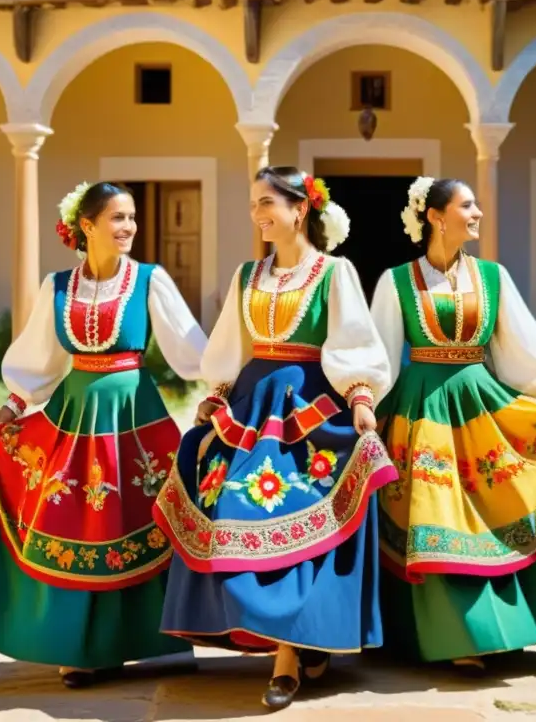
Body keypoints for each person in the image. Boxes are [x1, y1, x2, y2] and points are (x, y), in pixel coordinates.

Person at [153, 167, 397, 711]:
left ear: (300, 209)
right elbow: (231, 347)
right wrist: (215, 396)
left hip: (310, 408)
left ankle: (288, 657)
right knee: (236, 515)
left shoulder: (335, 273)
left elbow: (354, 341)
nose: (258, 213)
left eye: (267, 202)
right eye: (253, 204)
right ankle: (291, 641)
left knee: (297, 520)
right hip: (250, 407)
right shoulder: (247, 274)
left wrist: (360, 398)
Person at [0, 182, 208, 687]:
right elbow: (39, 356)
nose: (129, 226)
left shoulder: (149, 281)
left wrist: (224, 389)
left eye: (131, 217)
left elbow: (191, 348)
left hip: (134, 419)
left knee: (148, 522)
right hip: (74, 415)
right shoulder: (58, 287)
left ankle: (157, 640)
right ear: (86, 226)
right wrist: (12, 405)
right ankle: (82, 647)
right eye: (117, 217)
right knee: (80, 525)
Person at [369, 177, 536, 671]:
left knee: (490, 513)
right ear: (436, 217)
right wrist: (364, 405)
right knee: (438, 519)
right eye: (467, 205)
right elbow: (380, 353)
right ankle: (458, 638)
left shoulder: (492, 277)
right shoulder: (396, 281)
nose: (478, 213)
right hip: (422, 410)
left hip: (481, 403)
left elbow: (518, 344)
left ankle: (504, 625)